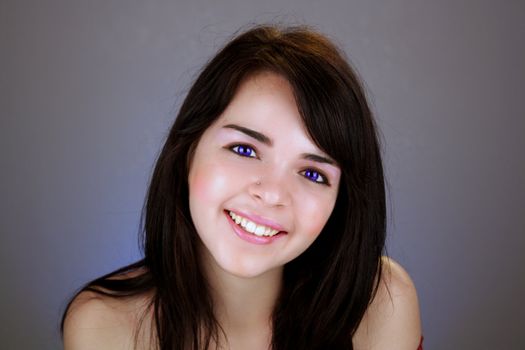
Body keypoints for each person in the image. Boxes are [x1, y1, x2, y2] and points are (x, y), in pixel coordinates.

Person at [61, 25, 422, 350]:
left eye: (313, 174)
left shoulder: (381, 304)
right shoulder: (106, 327)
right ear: (188, 152)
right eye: (245, 150)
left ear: (339, 201)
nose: (272, 193)